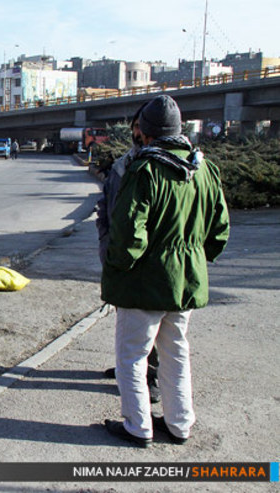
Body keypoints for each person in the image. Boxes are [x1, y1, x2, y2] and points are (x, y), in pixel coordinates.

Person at [102, 95, 230, 448]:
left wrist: (117, 269)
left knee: (132, 356)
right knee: (176, 352)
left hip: (143, 283)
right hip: (185, 281)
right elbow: (219, 230)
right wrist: (194, 262)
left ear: (144, 131)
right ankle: (179, 424)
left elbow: (128, 236)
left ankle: (138, 427)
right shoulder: (204, 168)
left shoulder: (145, 169)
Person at [96, 102, 161, 404]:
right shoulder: (125, 162)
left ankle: (151, 378)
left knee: (151, 326)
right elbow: (107, 202)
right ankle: (130, 371)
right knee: (128, 323)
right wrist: (105, 235)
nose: (137, 132)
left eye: (140, 127)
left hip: (143, 261)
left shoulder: (157, 168)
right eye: (134, 127)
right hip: (117, 252)